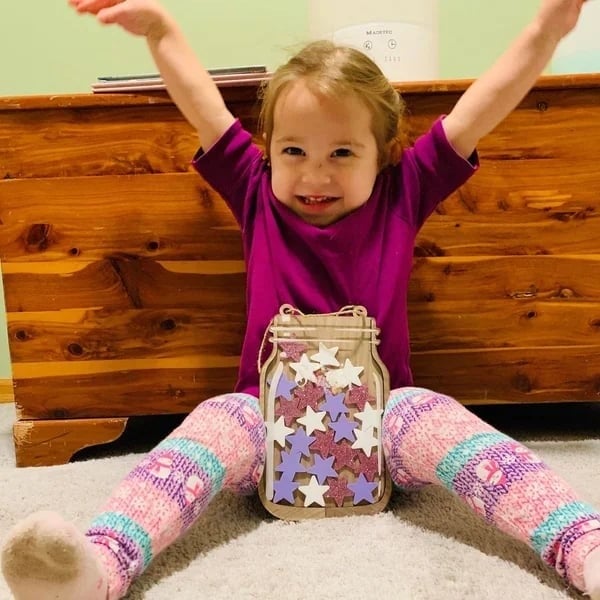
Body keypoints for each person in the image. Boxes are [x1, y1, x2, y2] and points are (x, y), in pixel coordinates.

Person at [2, 0, 599, 598]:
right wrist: (161, 31)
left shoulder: (404, 191)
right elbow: (203, 104)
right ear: (268, 151)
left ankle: (583, 545)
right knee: (217, 419)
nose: (315, 176)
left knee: (429, 411)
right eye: (294, 152)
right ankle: (99, 569)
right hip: (264, 431)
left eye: (342, 153)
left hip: (381, 435)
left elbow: (480, 108)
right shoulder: (254, 191)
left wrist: (544, 33)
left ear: (384, 156)